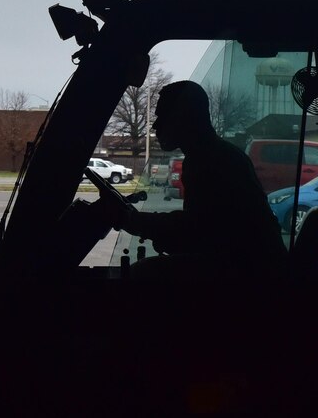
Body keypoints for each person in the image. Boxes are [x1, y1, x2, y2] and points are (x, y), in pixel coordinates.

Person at [107, 80, 286, 273]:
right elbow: (203, 228)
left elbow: (196, 231)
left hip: (248, 272)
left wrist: (135, 221)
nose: (156, 126)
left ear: (183, 118)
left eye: (163, 116)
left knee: (141, 273)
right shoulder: (219, 154)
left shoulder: (209, 161)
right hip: (254, 265)